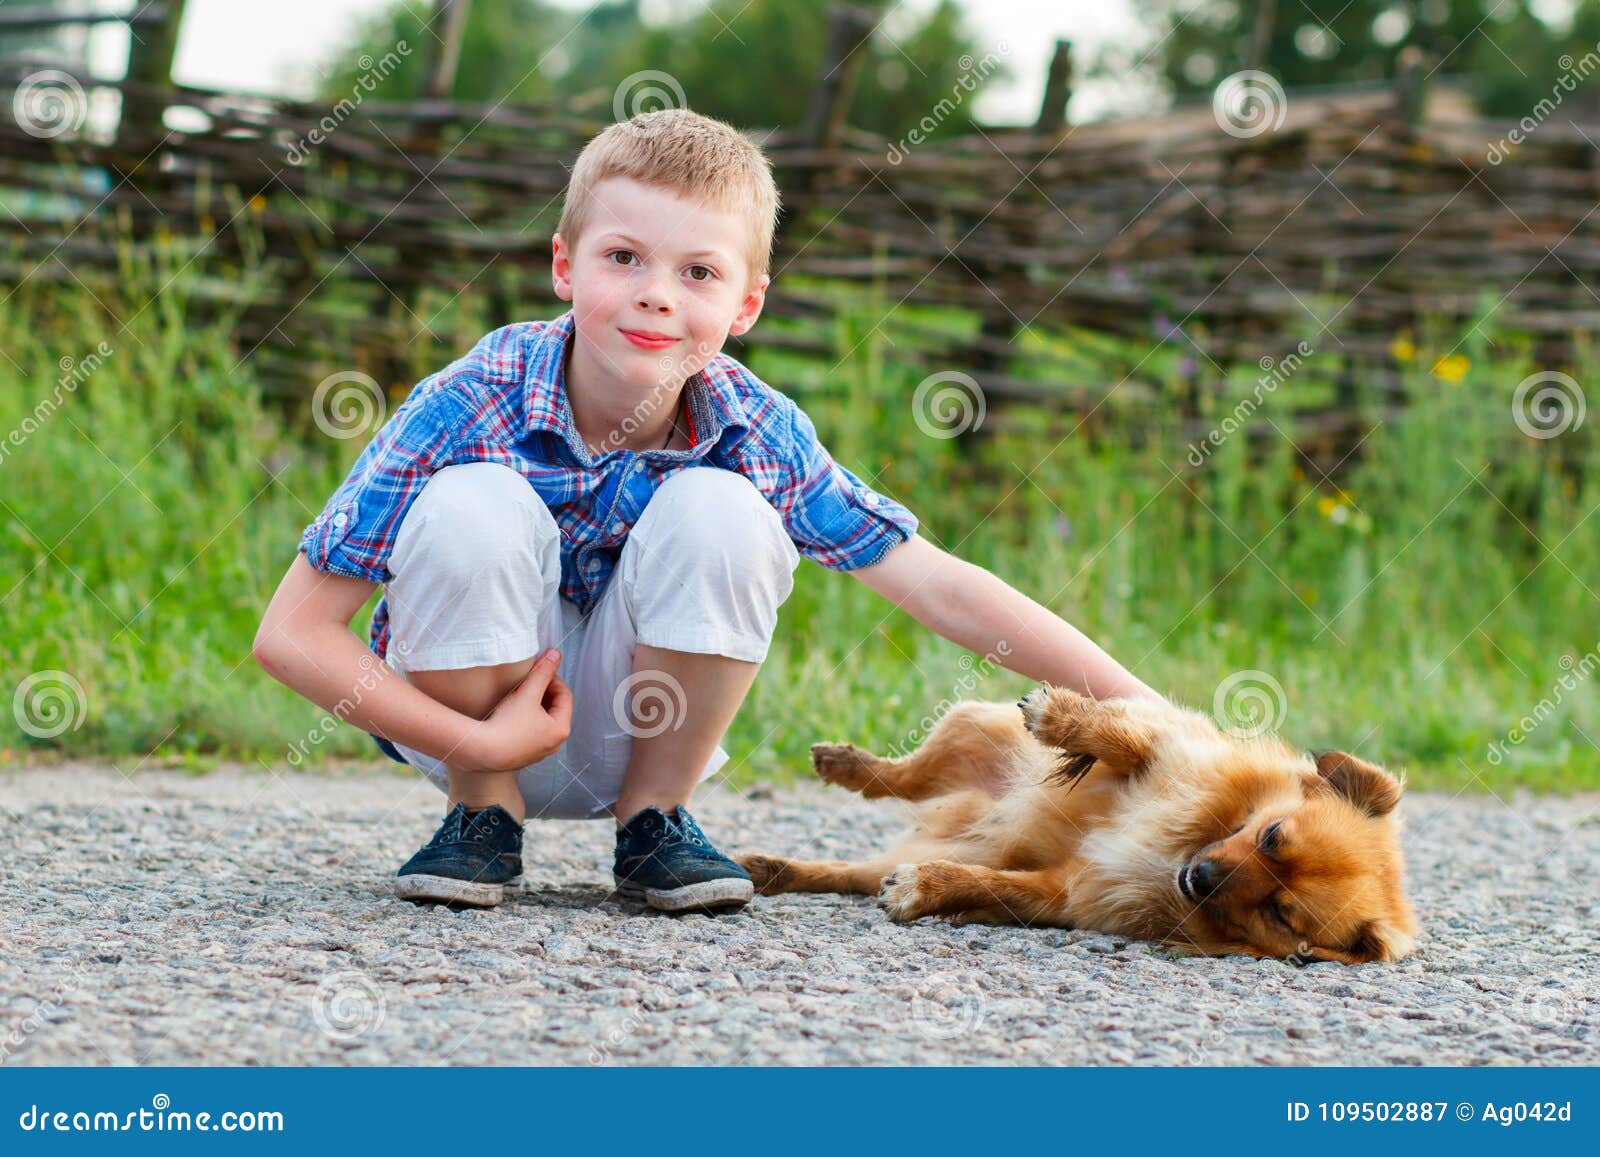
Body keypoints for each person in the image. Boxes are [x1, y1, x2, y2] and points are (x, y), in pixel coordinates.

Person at [253, 108, 1162, 916]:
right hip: (466, 726)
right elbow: (291, 633)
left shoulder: (756, 426)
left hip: (636, 728)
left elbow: (940, 586)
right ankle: (482, 816)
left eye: (698, 271)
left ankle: (655, 824)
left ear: (746, 304)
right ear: (565, 266)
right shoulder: (473, 395)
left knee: (722, 508)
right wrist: (475, 740)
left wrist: (1155, 716)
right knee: (469, 503)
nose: (658, 292)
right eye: (624, 258)